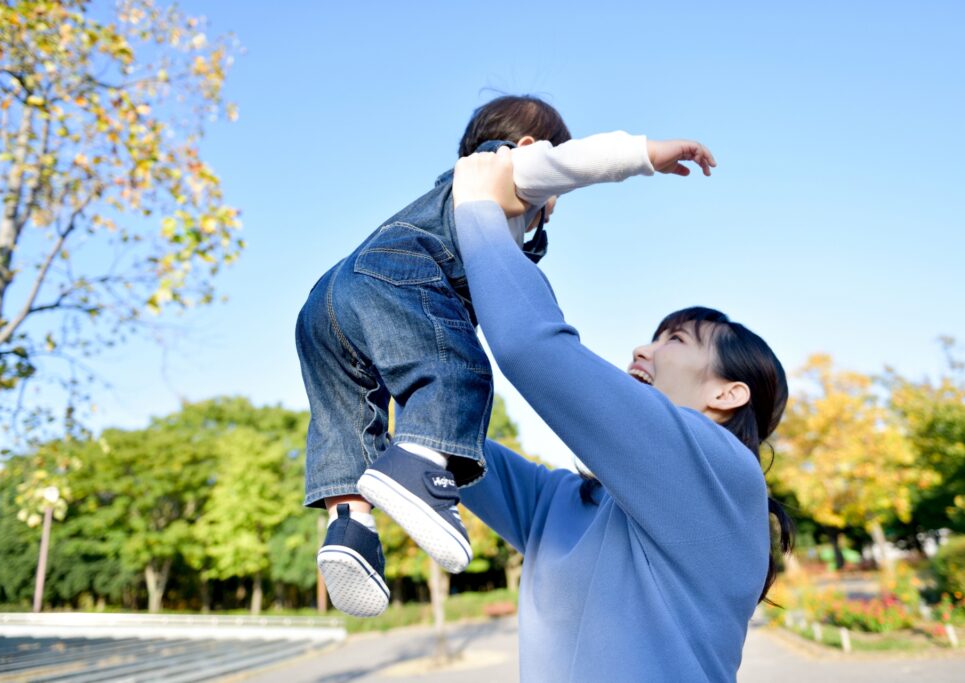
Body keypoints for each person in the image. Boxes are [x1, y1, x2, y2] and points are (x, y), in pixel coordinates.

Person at [295, 94, 718, 617]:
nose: (553, 203)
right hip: (394, 281)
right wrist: (646, 155)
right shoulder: (504, 170)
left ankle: (349, 527)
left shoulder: (442, 197)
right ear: (526, 145)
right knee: (458, 369)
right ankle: (422, 468)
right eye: (555, 196)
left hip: (324, 301)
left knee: (347, 416)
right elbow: (575, 161)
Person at [450, 146, 793, 682]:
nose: (643, 350)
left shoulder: (724, 473)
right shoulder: (564, 504)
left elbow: (530, 345)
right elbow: (445, 440)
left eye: (675, 340)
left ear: (728, 395)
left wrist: (478, 210)